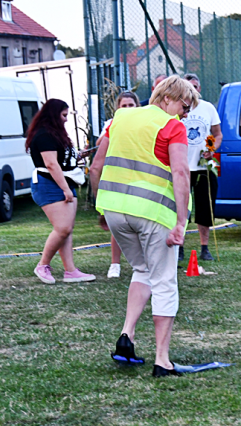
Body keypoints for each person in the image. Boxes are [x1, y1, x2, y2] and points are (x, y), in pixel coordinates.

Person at [90, 75, 197, 377]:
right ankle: (162, 359)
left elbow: (96, 166)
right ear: (167, 99)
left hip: (114, 209)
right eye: (184, 106)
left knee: (142, 270)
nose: (185, 114)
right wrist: (181, 219)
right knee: (164, 280)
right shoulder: (171, 126)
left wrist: (101, 206)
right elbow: (180, 171)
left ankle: (127, 336)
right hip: (152, 213)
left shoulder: (119, 117)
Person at [27, 99, 95, 283]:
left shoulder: (55, 134)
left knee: (66, 230)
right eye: (64, 115)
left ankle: (70, 271)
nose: (66, 119)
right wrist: (65, 189)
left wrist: (79, 154)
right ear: (53, 115)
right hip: (49, 185)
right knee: (63, 228)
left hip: (61, 183)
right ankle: (42, 265)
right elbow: (51, 164)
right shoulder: (43, 135)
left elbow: (61, 160)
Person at [96, 91, 141, 278]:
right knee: (118, 224)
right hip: (119, 178)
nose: (128, 109)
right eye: (124, 106)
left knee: (140, 222)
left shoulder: (143, 123)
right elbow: (100, 145)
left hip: (140, 178)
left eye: (131, 105)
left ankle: (142, 263)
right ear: (118, 108)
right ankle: (115, 264)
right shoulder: (113, 124)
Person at [181, 73, 222, 262]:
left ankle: (205, 247)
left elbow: (217, 134)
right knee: (180, 208)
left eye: (196, 87)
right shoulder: (176, 109)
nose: (193, 90)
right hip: (182, 167)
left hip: (203, 166)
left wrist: (211, 148)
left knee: (205, 208)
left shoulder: (208, 108)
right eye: (189, 87)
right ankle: (178, 247)